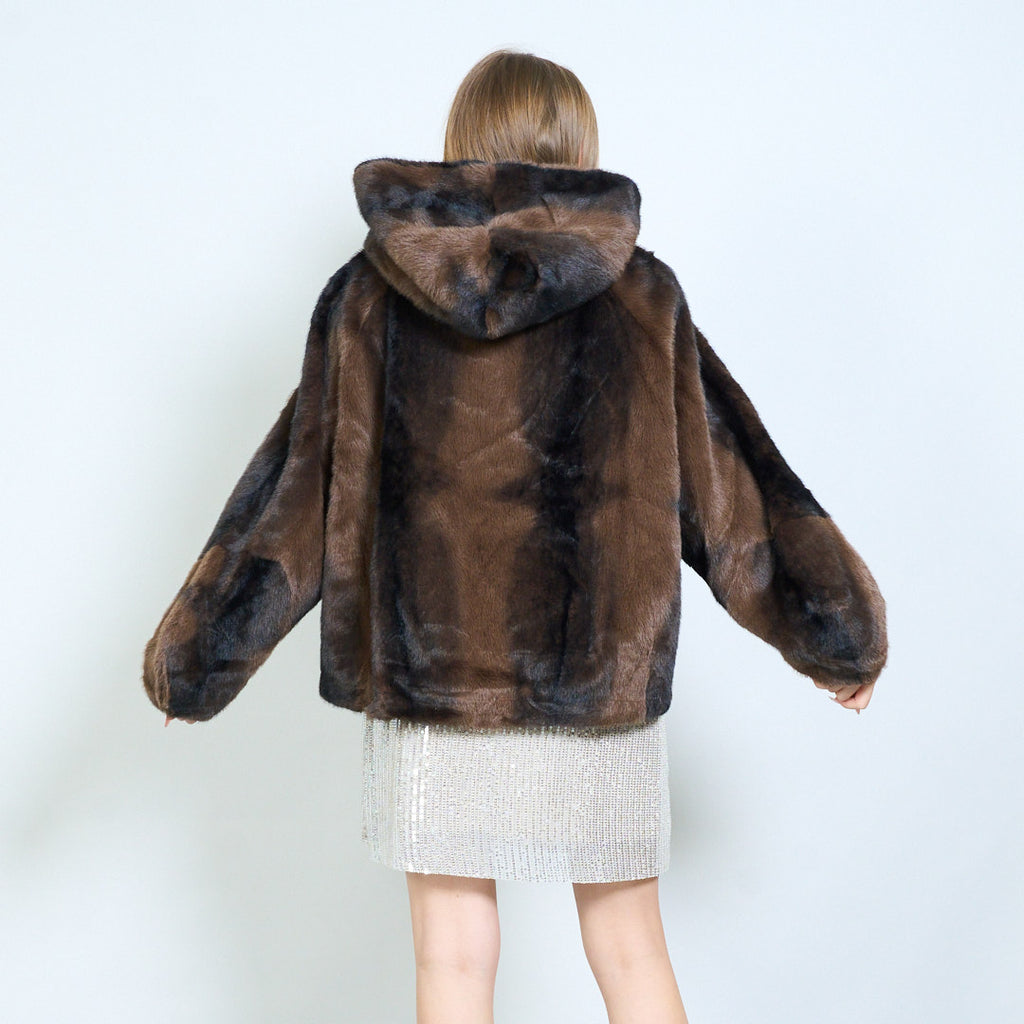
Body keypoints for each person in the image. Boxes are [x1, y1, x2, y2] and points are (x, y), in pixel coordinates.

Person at [143, 48, 887, 1024]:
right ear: (580, 148)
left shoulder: (368, 297)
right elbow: (733, 492)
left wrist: (199, 659)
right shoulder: (641, 299)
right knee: (630, 951)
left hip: (432, 686)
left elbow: (294, 498)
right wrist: (833, 633)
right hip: (598, 679)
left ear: (460, 143)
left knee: (452, 962)